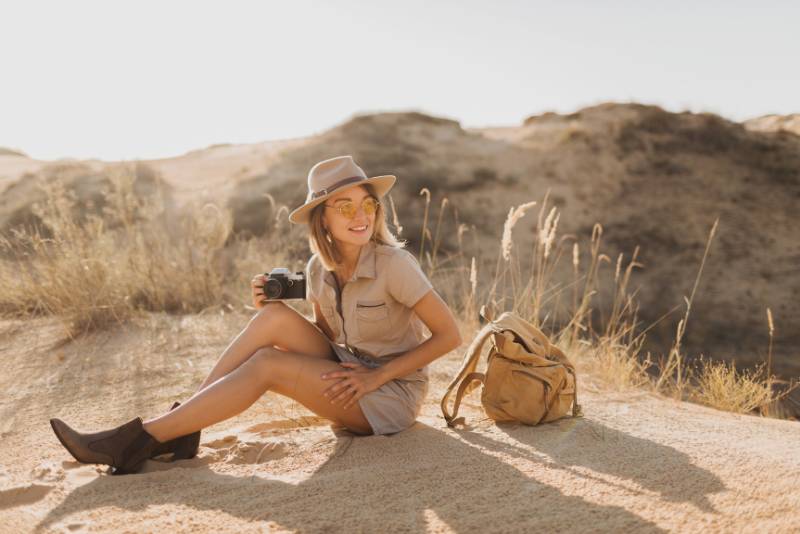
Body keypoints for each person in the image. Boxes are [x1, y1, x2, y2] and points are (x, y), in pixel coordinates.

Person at [49, 155, 463, 475]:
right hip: (350, 369)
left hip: (390, 396)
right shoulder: (320, 268)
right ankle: (182, 425)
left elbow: (449, 336)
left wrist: (376, 376)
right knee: (272, 319)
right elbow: (325, 339)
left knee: (266, 364)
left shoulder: (395, 263)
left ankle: (139, 440)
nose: (361, 216)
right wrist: (272, 310)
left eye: (367, 204)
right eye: (345, 206)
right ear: (322, 218)